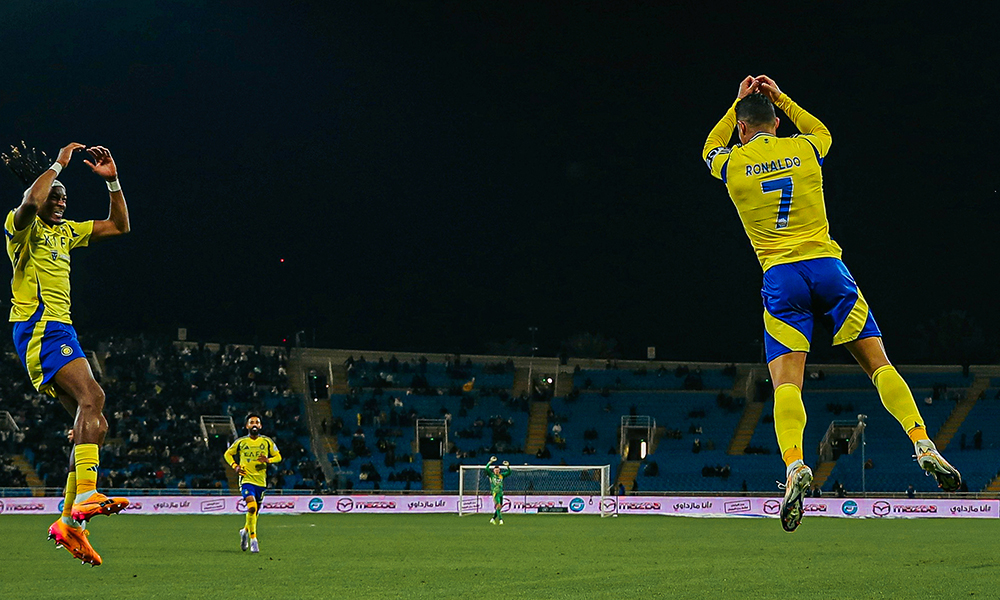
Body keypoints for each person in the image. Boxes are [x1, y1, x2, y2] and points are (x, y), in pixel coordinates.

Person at [702, 75, 961, 533]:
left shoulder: (733, 163)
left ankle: (795, 465)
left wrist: (737, 102)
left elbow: (708, 148)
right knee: (879, 365)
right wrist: (778, 96)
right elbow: (823, 131)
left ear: (742, 128)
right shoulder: (804, 149)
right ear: (777, 122)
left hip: (782, 277)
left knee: (787, 385)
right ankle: (922, 442)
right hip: (828, 267)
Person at [3, 142, 131, 566]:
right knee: (93, 399)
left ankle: (68, 522)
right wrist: (57, 165)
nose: (59, 202)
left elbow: (119, 226)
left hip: (63, 330)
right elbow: (29, 200)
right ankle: (87, 497)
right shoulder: (22, 229)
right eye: (55, 196)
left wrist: (111, 180)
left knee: (95, 423)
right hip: (39, 328)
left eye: (64, 197)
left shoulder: (65, 232)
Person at [224, 413, 283, 554]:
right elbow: (227, 454)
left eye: (257, 422)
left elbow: (278, 457)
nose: (254, 424)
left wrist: (268, 460)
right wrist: (235, 466)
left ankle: (244, 531)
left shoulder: (267, 442)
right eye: (252, 422)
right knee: (251, 508)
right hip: (246, 480)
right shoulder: (241, 442)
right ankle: (253, 540)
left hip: (261, 482)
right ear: (247, 426)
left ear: (261, 425)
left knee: (254, 511)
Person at [484, 455, 511, 525]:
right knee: (498, 506)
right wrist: (490, 462)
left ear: (499, 470)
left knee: (499, 507)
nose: (496, 471)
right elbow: (486, 469)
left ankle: (493, 519)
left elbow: (509, 472)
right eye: (495, 470)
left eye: (497, 470)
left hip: (501, 493)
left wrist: (508, 466)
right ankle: (500, 520)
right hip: (495, 493)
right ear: (493, 470)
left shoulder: (502, 475)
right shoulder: (492, 475)